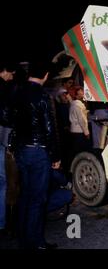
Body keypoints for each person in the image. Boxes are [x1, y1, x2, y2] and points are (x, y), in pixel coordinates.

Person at [10, 61, 60, 249]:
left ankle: (23, 237)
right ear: (45, 75)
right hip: (38, 151)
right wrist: (55, 156)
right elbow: (49, 128)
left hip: (21, 150)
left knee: (25, 194)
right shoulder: (42, 95)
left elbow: (6, 118)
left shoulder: (16, 92)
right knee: (38, 198)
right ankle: (36, 242)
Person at [0, 61, 15, 235]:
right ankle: (3, 223)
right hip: (3, 138)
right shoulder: (5, 89)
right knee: (4, 182)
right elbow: (6, 117)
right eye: (10, 73)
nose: (11, 76)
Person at [69, 87, 90, 159]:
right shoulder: (77, 105)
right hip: (79, 131)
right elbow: (81, 120)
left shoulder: (74, 104)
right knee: (79, 151)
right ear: (76, 95)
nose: (83, 94)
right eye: (81, 93)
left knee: (76, 150)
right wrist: (86, 133)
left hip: (75, 130)